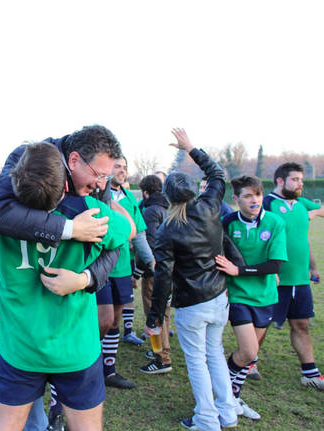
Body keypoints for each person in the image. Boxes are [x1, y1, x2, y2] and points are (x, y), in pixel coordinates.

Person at [0, 142, 132, 431]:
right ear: (64, 183)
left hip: (20, 345)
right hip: (74, 347)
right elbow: (128, 231)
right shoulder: (89, 211)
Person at [146, 128, 238, 431]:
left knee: (199, 361)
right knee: (213, 355)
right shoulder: (210, 206)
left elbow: (163, 277)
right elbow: (217, 174)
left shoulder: (168, 230)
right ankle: (226, 413)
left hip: (194, 304)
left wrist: (155, 316)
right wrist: (191, 149)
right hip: (217, 297)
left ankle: (208, 419)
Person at [214, 175, 287, 419]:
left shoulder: (275, 223)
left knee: (250, 354)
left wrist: (240, 270)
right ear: (236, 199)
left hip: (266, 295)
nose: (254, 200)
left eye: (257, 194)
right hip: (238, 295)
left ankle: (231, 396)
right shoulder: (227, 223)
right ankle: (223, 393)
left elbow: (275, 265)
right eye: (247, 195)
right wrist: (230, 276)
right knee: (247, 350)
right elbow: (218, 258)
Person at [263, 162, 324, 390]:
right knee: (262, 325)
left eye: (301, 180)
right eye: (295, 180)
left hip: (300, 280)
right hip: (275, 279)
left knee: (301, 325)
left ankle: (309, 372)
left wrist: (313, 267)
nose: (300, 184)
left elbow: (303, 240)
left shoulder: (301, 204)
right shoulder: (267, 203)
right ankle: (249, 364)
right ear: (280, 181)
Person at [98, 155, 154, 390]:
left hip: (122, 267)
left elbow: (139, 233)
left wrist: (151, 260)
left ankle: (108, 370)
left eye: (124, 167)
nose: (121, 171)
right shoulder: (96, 193)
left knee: (116, 319)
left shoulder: (130, 197)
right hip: (99, 266)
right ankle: (89, 365)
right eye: (117, 167)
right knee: (104, 319)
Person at [136, 174, 173, 374]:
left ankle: (161, 357)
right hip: (170, 269)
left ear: (145, 192)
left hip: (155, 272)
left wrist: (138, 271)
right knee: (164, 312)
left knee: (154, 313)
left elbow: (149, 243)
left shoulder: (150, 211)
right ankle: (159, 350)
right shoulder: (168, 208)